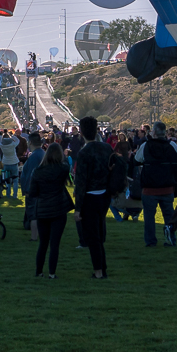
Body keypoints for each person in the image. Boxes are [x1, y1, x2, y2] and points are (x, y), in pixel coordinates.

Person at [72, 116, 116, 279]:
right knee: (99, 231)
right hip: (104, 194)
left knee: (92, 236)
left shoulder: (84, 152)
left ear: (81, 132)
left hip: (89, 196)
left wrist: (78, 208)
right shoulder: (106, 148)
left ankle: (99, 271)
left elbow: (81, 182)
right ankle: (101, 267)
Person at [29, 142, 74, 278]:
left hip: (43, 209)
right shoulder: (62, 169)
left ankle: (39, 271)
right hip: (58, 208)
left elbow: (33, 193)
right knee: (55, 244)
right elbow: (67, 166)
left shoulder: (38, 171)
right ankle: (52, 273)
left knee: (43, 243)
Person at [138, 121, 177, 247]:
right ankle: (170, 239)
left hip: (149, 188)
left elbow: (137, 159)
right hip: (167, 186)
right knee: (169, 216)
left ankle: (150, 241)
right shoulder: (172, 145)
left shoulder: (146, 146)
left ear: (153, 132)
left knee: (149, 217)